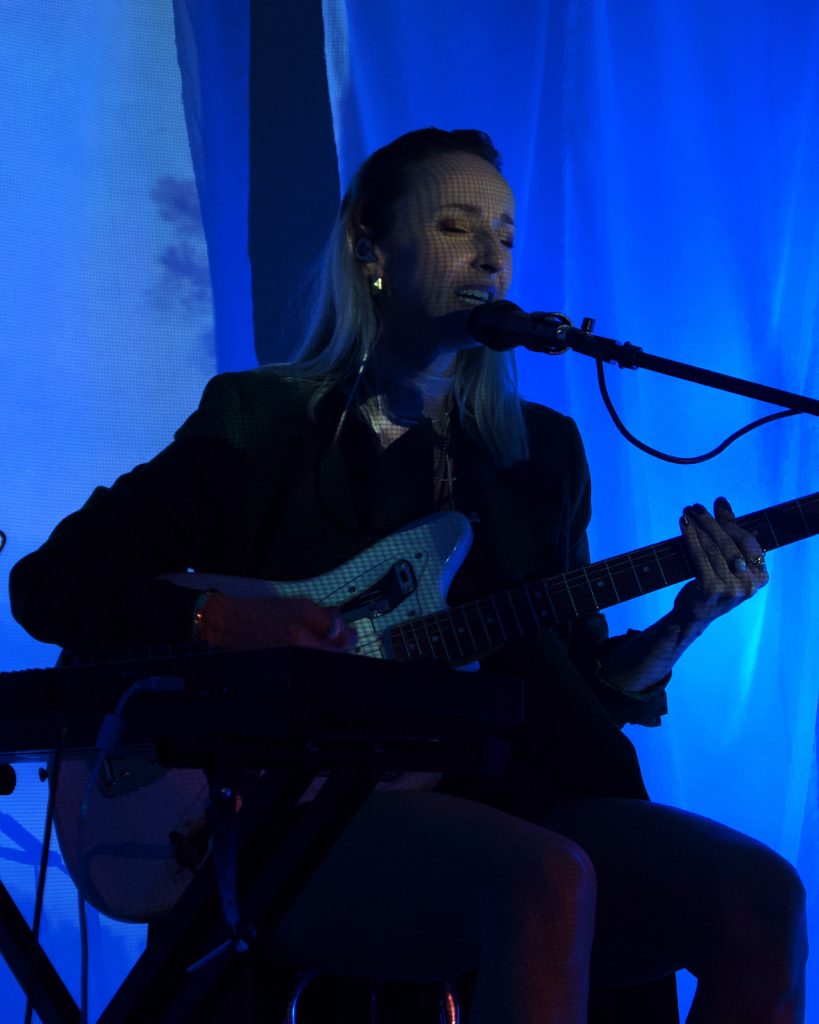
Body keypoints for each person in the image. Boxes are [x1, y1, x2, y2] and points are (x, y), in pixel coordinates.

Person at [10, 128, 807, 1023]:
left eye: (505, 235)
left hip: (530, 784)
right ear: (369, 250)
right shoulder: (260, 422)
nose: (490, 257)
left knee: (760, 897)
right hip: (313, 798)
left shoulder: (544, 451)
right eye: (456, 227)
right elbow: (52, 582)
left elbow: (582, 678)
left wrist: (681, 625)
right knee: (540, 878)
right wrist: (223, 623)